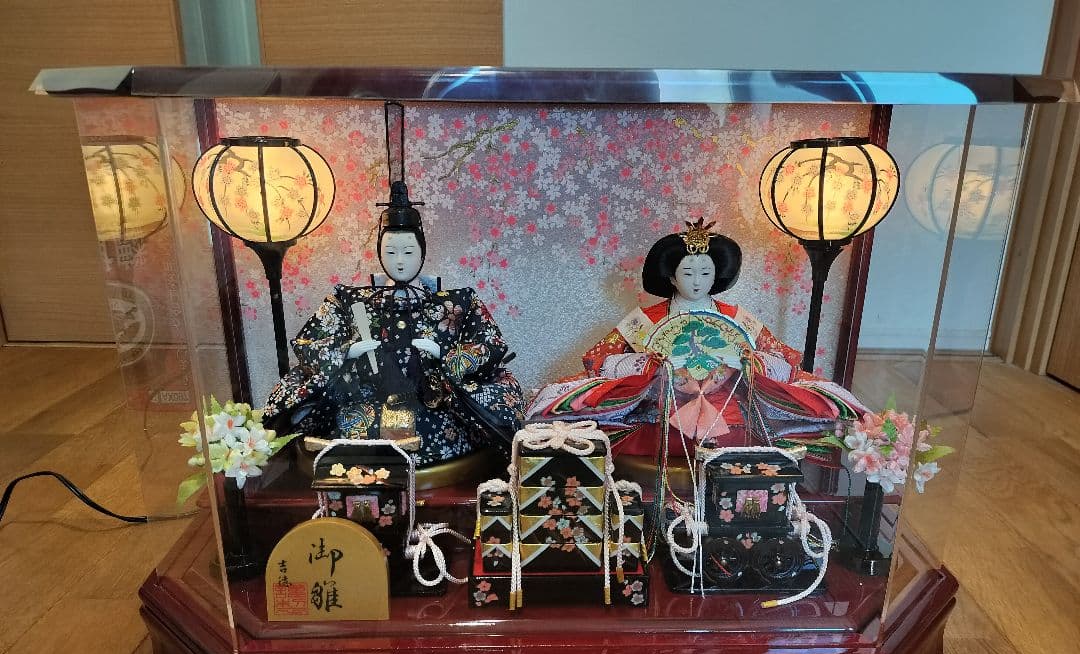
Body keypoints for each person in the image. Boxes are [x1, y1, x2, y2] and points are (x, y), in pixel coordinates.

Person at [526, 219, 864, 462]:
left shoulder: (737, 317)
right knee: (569, 405)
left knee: (812, 403)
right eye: (688, 273)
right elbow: (598, 360)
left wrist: (746, 363)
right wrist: (650, 367)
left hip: (729, 413)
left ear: (717, 275)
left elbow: (784, 358)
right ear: (672, 277)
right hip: (660, 409)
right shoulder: (646, 320)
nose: (697, 281)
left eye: (706, 273)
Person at [263, 180, 525, 467]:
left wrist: (446, 354)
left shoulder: (457, 302)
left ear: (422, 252)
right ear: (379, 252)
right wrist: (348, 351)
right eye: (390, 252)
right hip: (366, 402)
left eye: (408, 252)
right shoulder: (348, 299)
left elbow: (490, 343)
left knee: (449, 426)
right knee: (346, 424)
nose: (399, 261)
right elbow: (309, 343)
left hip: (434, 404)